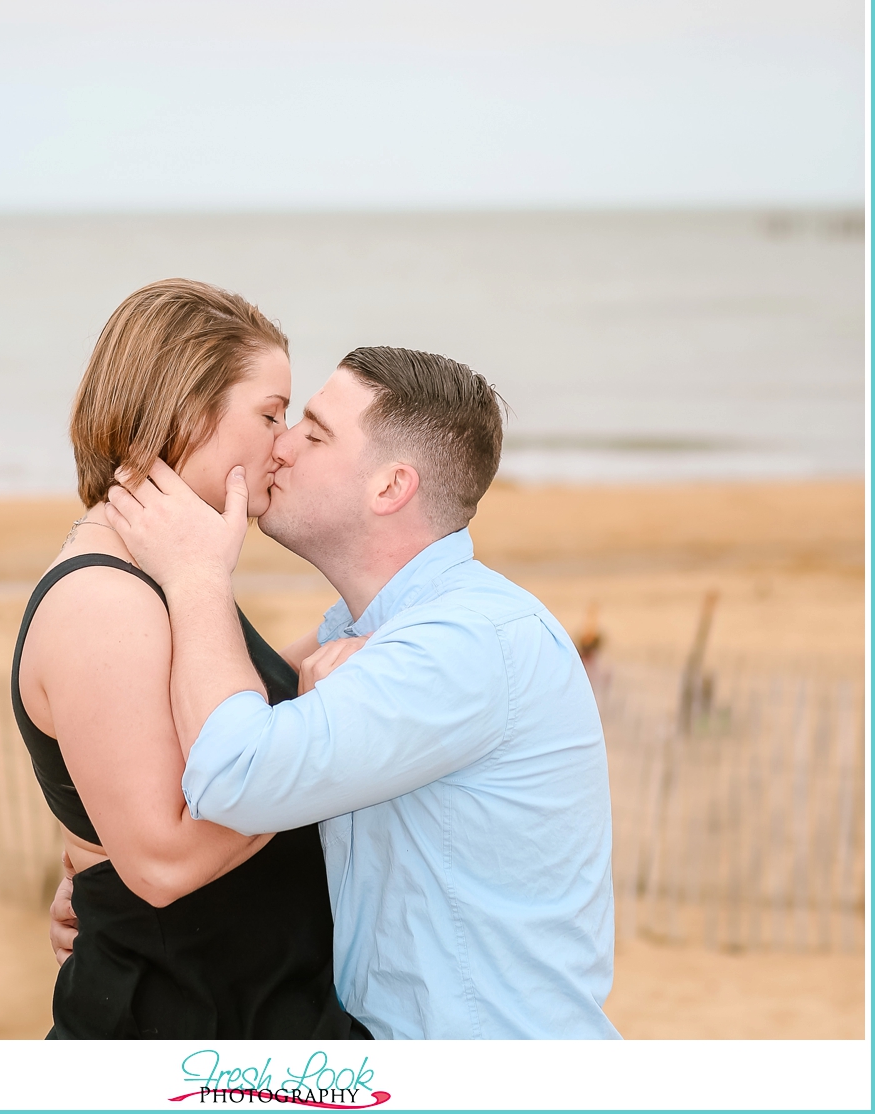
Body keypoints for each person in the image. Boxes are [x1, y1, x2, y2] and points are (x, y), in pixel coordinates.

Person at [100, 345, 621, 1041]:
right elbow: (217, 726)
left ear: (389, 487)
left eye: (313, 434)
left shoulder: (463, 645)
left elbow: (233, 773)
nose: (280, 448)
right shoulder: (372, 631)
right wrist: (108, 891)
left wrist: (197, 577)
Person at [12, 278, 366, 1040]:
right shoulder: (103, 601)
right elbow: (163, 861)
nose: (285, 441)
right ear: (184, 411)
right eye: (270, 413)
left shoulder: (170, 574)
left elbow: (223, 706)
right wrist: (326, 735)